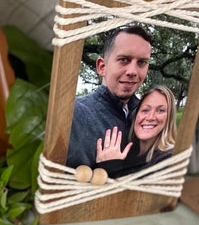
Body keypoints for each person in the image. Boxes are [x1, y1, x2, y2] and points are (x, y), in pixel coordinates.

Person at [66, 24, 153, 169]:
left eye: (142, 62)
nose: (132, 71)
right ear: (102, 67)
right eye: (124, 60)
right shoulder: (74, 115)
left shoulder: (148, 117)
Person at [94, 85, 177, 178]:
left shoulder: (170, 159)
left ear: (169, 118)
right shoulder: (128, 152)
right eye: (145, 110)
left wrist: (112, 168)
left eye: (160, 111)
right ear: (136, 115)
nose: (150, 117)